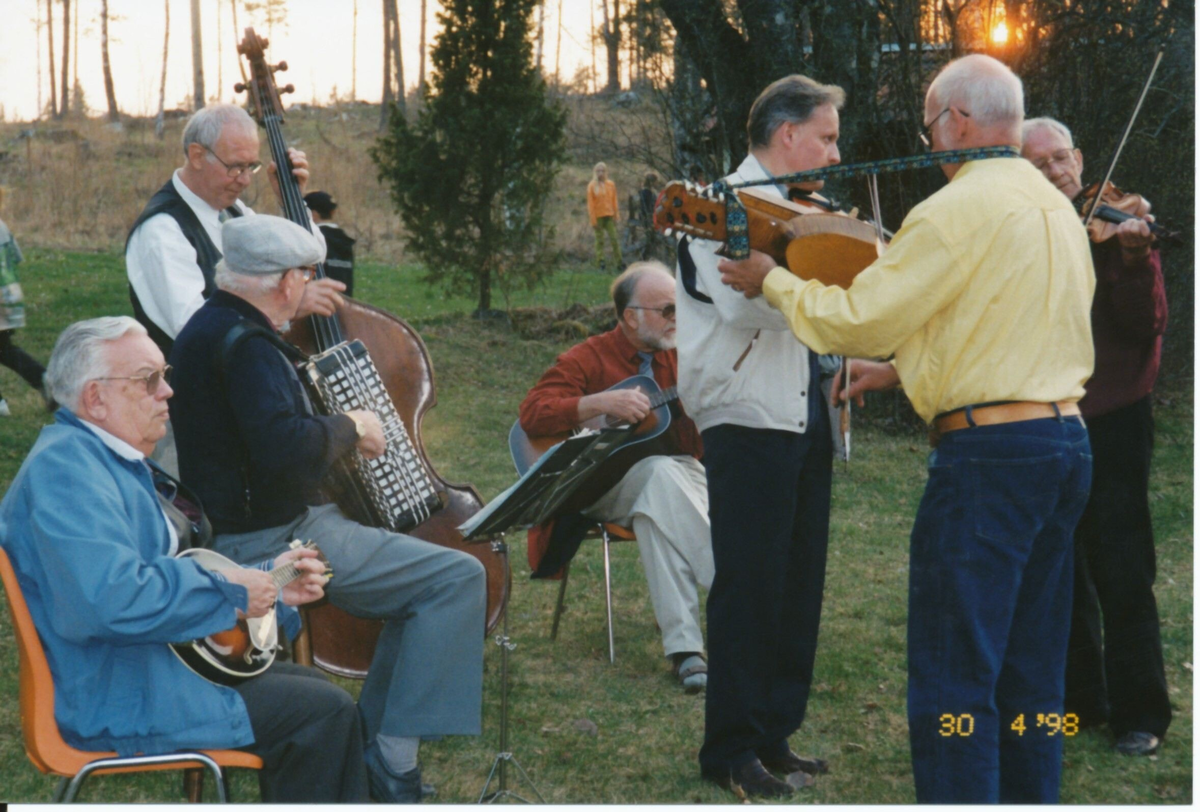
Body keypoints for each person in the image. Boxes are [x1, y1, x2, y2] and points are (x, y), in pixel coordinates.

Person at [718, 55, 1095, 803]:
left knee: (957, 675)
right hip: (1064, 447)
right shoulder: (1055, 206)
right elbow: (1005, 323)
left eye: (931, 128)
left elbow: (858, 319)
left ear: (958, 121)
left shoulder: (952, 211)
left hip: (989, 461)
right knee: (1033, 670)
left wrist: (775, 280)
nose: (929, 146)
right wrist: (909, 369)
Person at [168, 214, 486, 803]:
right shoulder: (248, 347)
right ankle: (391, 766)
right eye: (305, 274)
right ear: (287, 281)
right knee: (455, 577)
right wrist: (351, 425)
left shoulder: (207, 328)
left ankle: (370, 748)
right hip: (272, 545)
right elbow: (285, 450)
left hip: (258, 528)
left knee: (424, 583)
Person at [0, 316, 367, 802]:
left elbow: (158, 579)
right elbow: (113, 599)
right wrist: (235, 593)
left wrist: (270, 585)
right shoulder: (66, 475)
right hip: (113, 692)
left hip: (139, 668)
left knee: (310, 692)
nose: (167, 391)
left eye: (164, 374)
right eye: (148, 380)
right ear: (95, 398)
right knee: (322, 709)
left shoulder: (95, 459)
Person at [675, 75, 841, 799]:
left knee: (799, 579)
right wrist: (820, 295)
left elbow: (827, 296)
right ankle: (730, 748)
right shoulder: (713, 208)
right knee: (749, 582)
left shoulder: (812, 210)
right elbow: (745, 306)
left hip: (807, 409)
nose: (836, 154)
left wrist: (814, 288)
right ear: (787, 136)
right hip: (744, 412)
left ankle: (774, 733)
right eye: (827, 137)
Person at [1021, 117, 1171, 757]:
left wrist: (1133, 257)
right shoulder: (1025, 232)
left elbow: (1147, 325)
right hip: (1048, 417)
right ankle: (1081, 702)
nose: (1056, 174)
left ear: (1080, 157)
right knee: (1060, 565)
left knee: (1122, 563)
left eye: (1061, 159)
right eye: (1038, 166)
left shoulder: (1120, 225)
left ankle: (1141, 713)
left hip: (1112, 416)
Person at [519, 261, 714, 691]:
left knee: (656, 501)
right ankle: (734, 590)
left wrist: (701, 409)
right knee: (660, 476)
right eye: (667, 310)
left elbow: (697, 447)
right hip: (599, 483)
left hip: (674, 477)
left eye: (679, 308)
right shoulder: (588, 356)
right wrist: (596, 403)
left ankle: (686, 652)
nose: (677, 320)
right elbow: (532, 413)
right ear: (631, 317)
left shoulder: (686, 356)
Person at [125, 104, 344, 477]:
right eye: (235, 167)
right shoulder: (163, 231)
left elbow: (310, 254)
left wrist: (291, 198)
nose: (244, 179)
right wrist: (288, 304)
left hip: (239, 403)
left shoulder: (234, 212)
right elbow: (200, 334)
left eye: (251, 167)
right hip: (190, 422)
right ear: (197, 155)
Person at [0, 187, 46, 416]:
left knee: (4, 350)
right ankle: (43, 380)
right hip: (8, 298)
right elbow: (16, 257)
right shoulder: (2, 226)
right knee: (4, 350)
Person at [304, 190, 356, 297]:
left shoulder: (312, 238)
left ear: (313, 214)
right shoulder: (344, 239)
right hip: (343, 304)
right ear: (332, 212)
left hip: (316, 304)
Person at [587, 162, 624, 271]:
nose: (600, 173)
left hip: (609, 215)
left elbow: (614, 201)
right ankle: (601, 262)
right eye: (598, 171)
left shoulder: (610, 184)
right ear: (595, 172)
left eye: (602, 171)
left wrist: (616, 215)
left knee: (614, 239)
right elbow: (590, 204)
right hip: (598, 216)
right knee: (600, 240)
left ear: (606, 172)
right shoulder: (592, 186)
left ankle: (619, 262)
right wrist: (593, 221)